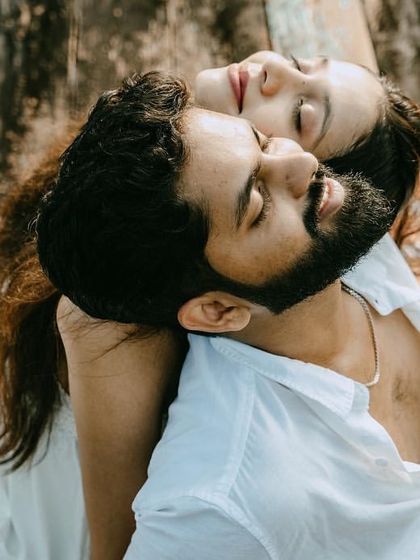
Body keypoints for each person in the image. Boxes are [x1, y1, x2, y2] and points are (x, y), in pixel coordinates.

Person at [0, 52, 419, 559]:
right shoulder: (110, 330)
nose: (306, 165)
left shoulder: (334, 218)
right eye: (260, 204)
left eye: (302, 123)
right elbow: (119, 544)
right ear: (217, 310)